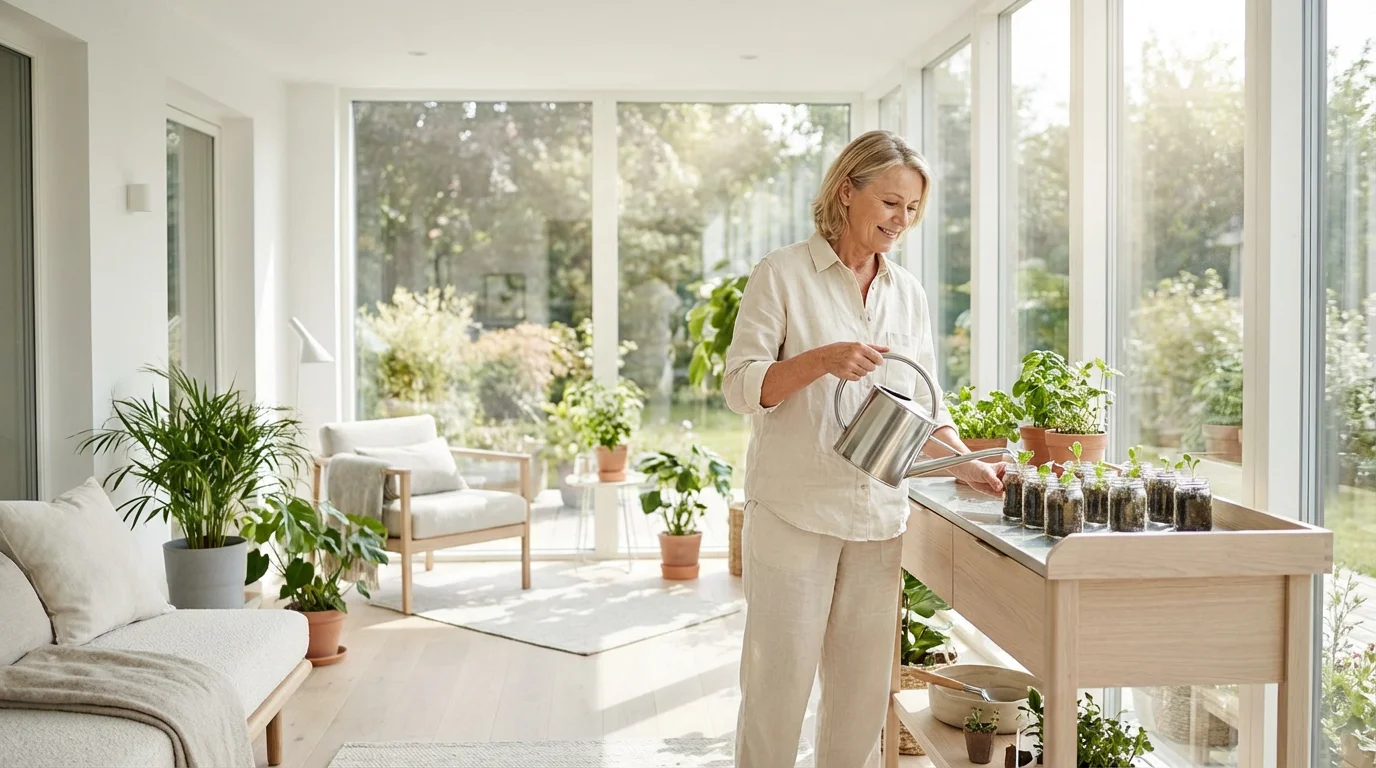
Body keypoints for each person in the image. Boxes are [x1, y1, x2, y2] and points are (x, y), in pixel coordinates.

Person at [723, 130, 1005, 768]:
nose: (900, 221)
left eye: (911, 210)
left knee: (859, 699)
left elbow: (924, 406)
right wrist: (820, 360)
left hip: (878, 520)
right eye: (889, 203)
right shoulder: (784, 273)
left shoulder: (907, 293)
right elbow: (741, 388)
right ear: (847, 192)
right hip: (794, 512)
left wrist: (968, 461)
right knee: (777, 688)